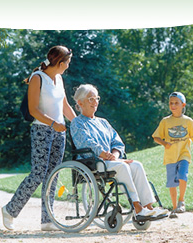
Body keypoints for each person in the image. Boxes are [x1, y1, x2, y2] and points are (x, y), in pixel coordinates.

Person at [2, 45, 76, 231]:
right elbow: (34, 109)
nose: (68, 65)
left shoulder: (59, 79)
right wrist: (52, 124)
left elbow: (65, 106)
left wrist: (78, 123)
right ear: (59, 62)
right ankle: (10, 210)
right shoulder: (37, 78)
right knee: (38, 174)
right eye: (67, 62)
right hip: (42, 131)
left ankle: (47, 219)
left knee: (53, 175)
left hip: (60, 132)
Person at [70, 84, 168, 222]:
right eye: (91, 99)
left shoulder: (103, 122)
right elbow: (86, 143)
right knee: (122, 167)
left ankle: (149, 208)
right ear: (80, 102)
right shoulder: (77, 123)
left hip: (111, 161)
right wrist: (107, 156)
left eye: (96, 98)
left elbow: (117, 142)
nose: (95, 102)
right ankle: (137, 208)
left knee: (136, 165)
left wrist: (115, 156)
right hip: (93, 162)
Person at [152, 92, 193, 218]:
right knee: (171, 183)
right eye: (171, 103)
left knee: (182, 176)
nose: (173, 105)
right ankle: (174, 208)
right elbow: (156, 137)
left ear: (183, 104)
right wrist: (165, 143)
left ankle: (181, 201)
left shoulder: (188, 121)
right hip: (170, 157)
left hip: (184, 154)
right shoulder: (165, 121)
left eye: (176, 103)